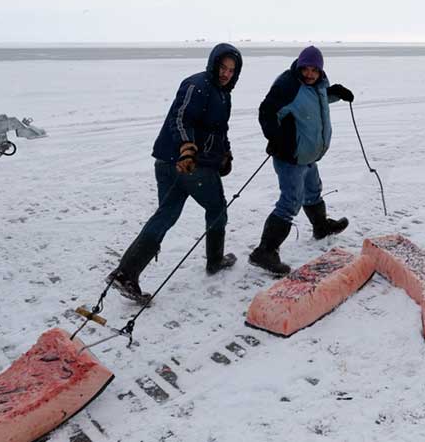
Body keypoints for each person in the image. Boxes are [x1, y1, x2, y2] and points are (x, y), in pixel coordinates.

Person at [107, 43, 243, 303]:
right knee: (217, 208)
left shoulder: (222, 93)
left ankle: (126, 274)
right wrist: (187, 150)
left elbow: (219, 129)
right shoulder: (198, 85)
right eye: (223, 67)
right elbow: (181, 118)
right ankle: (214, 260)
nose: (226, 73)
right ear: (213, 64)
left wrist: (225, 154)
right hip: (188, 164)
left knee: (166, 214)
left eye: (231, 70)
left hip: (173, 161)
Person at [249, 45, 355, 275]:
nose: (309, 74)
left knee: (313, 190)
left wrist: (335, 93)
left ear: (320, 71)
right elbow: (267, 111)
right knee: (290, 202)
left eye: (314, 70)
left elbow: (314, 101)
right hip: (291, 157)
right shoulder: (288, 85)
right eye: (305, 69)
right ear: (298, 66)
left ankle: (320, 227)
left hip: (308, 156)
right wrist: (277, 138)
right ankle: (265, 250)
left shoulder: (317, 85)